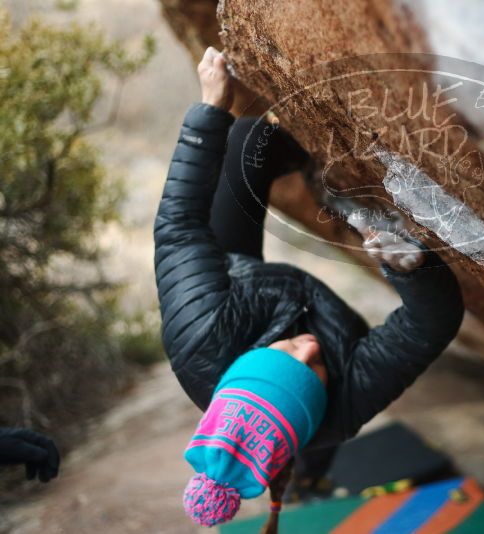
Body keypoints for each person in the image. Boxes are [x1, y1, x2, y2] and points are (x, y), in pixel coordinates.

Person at [154, 47, 464, 527]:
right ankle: (306, 473)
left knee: (247, 137)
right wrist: (413, 270)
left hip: (239, 285)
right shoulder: (343, 406)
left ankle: (316, 166)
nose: (310, 346)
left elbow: (179, 224)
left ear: (245, 361)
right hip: (293, 379)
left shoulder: (199, 329)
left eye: (285, 354)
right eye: (315, 370)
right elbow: (430, 324)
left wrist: (209, 110)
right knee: (318, 446)